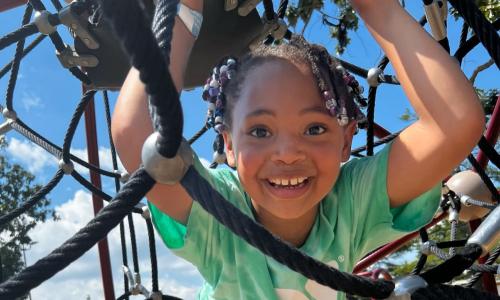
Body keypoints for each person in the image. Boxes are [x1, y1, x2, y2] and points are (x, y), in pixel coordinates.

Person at [112, 0, 485, 299]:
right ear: (228, 143)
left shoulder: (349, 202)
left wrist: (377, 8)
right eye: (260, 131)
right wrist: (186, 11)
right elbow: (137, 136)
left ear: (346, 140)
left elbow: (453, 124)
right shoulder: (218, 212)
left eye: (314, 128)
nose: (288, 152)